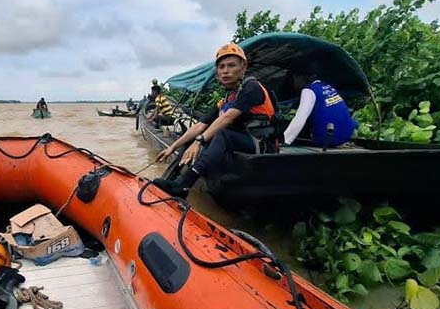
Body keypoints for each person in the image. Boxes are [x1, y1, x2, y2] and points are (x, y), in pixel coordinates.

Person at [153, 42, 277, 198]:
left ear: (243, 68)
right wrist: (173, 147)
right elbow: (200, 125)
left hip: (261, 144)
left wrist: (199, 142)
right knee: (195, 138)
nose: (226, 71)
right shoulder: (226, 99)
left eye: (231, 65)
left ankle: (184, 185)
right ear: (217, 72)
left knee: (221, 133)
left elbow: (227, 118)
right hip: (242, 141)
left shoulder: (252, 88)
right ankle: (173, 180)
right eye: (222, 67)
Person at [283, 75, 357, 147]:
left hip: (328, 138)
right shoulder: (327, 86)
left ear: (299, 77)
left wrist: (285, 141)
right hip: (346, 134)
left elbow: (300, 118)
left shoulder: (309, 90)